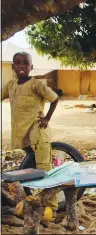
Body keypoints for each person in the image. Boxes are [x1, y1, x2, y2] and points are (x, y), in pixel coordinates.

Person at [1, 52, 60, 214]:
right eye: (17, 63)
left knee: (44, 168)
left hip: (38, 131)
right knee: (33, 166)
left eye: (25, 63)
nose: (21, 66)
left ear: (31, 67)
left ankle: (51, 209)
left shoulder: (36, 84)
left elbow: (55, 99)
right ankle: (36, 200)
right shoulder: (11, 85)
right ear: (13, 66)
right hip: (22, 133)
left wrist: (47, 118)